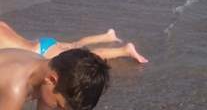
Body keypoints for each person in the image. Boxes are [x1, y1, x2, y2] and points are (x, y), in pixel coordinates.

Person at [0, 21, 148, 65]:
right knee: (75, 45)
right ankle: (107, 36)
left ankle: (124, 50)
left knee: (86, 57)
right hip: (41, 43)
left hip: (41, 52)